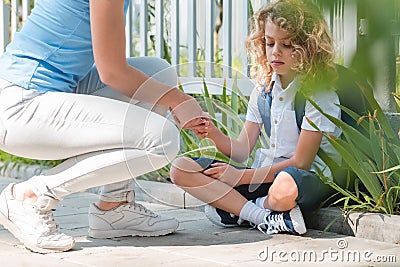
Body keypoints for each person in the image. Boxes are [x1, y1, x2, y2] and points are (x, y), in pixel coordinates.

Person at [0, 0, 206, 254]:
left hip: (54, 89)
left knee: (158, 73)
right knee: (161, 140)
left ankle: (115, 206)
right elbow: (114, 73)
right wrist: (179, 100)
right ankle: (30, 195)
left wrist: (173, 97)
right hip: (20, 106)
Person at [170, 0, 342, 236]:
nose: (276, 52)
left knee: (283, 188)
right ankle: (263, 216)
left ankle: (242, 211)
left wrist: (240, 177)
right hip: (261, 175)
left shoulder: (318, 95)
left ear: (308, 47)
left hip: (303, 180)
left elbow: (301, 162)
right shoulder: (263, 90)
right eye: (270, 43)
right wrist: (213, 133)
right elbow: (242, 150)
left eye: (287, 44)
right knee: (181, 169)